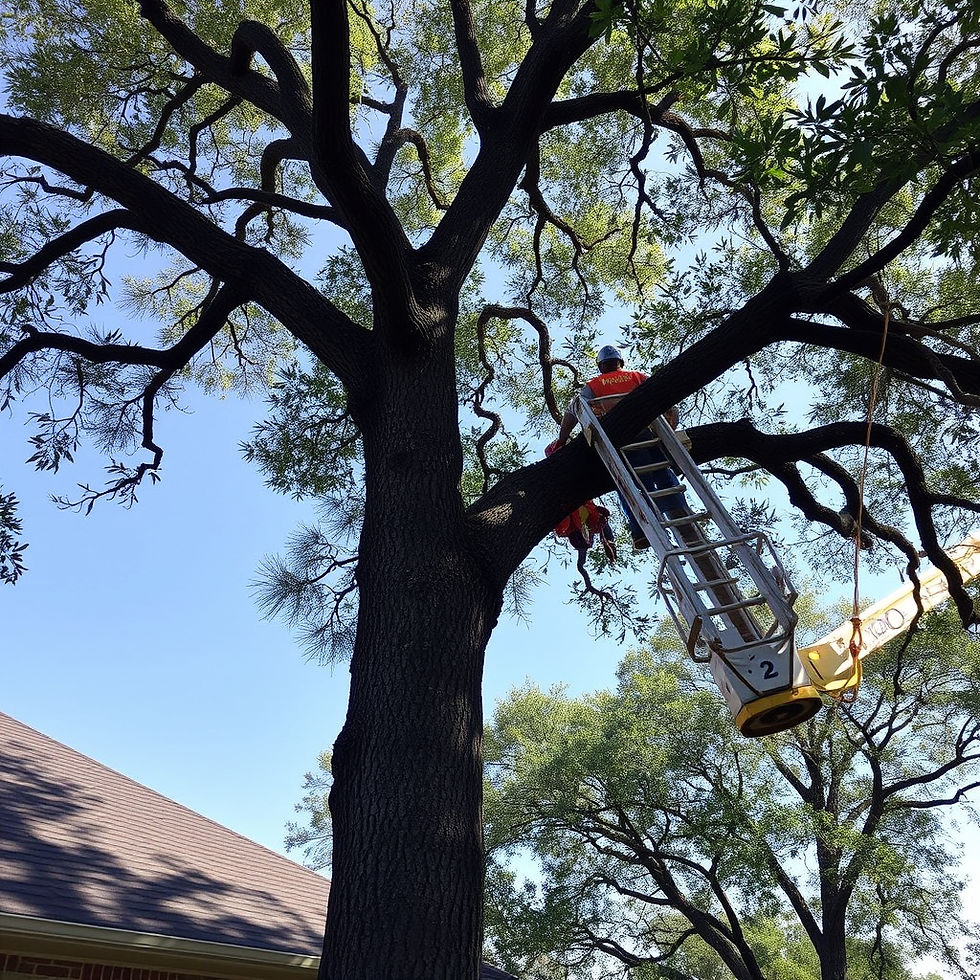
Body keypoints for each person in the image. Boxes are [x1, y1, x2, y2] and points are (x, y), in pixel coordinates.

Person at [556, 345, 684, 549]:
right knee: (663, 473)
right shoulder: (638, 377)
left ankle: (640, 530)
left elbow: (574, 410)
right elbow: (670, 403)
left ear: (601, 366)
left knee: (628, 486)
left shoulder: (594, 385)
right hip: (648, 436)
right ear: (620, 362)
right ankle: (680, 510)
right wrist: (668, 431)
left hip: (622, 442)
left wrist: (561, 440)